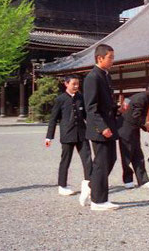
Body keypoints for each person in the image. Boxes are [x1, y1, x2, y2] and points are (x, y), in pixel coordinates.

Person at [45, 75, 92, 206]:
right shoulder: (60, 99)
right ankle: (62, 186)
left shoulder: (80, 97)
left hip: (82, 133)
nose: (76, 86)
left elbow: (87, 116)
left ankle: (89, 183)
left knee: (87, 158)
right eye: (74, 84)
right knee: (65, 160)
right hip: (67, 134)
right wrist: (49, 136)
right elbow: (53, 118)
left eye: (78, 84)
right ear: (66, 84)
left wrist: (95, 128)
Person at [83, 44, 120, 211]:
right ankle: (98, 201)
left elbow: (108, 104)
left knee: (111, 159)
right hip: (100, 128)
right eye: (110, 57)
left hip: (109, 126)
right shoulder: (92, 78)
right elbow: (91, 107)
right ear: (100, 58)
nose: (112, 61)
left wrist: (118, 108)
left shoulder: (106, 76)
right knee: (101, 163)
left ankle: (91, 186)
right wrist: (102, 127)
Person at [118, 82, 149, 189]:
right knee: (128, 155)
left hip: (130, 128)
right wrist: (146, 126)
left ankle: (142, 180)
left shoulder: (135, 96)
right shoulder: (143, 99)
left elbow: (124, 105)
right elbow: (135, 116)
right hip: (126, 130)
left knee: (137, 154)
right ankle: (128, 181)